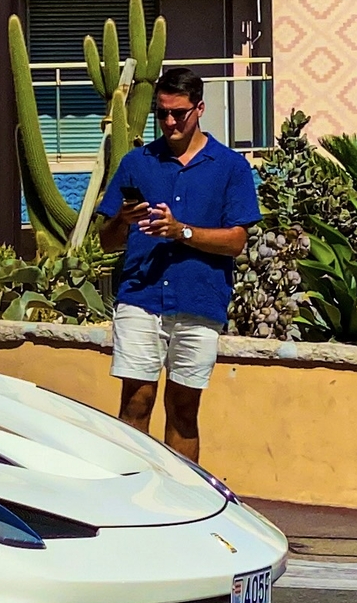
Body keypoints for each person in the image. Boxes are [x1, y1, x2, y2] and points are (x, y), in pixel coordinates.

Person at [96, 65, 260, 465]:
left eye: (179, 113)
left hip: (199, 299)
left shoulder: (230, 167)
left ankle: (182, 499)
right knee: (136, 402)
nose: (170, 122)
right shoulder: (137, 163)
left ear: (199, 108)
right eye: (162, 113)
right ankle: (129, 495)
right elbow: (106, 240)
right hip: (141, 297)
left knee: (184, 410)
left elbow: (237, 240)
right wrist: (123, 220)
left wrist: (181, 231)